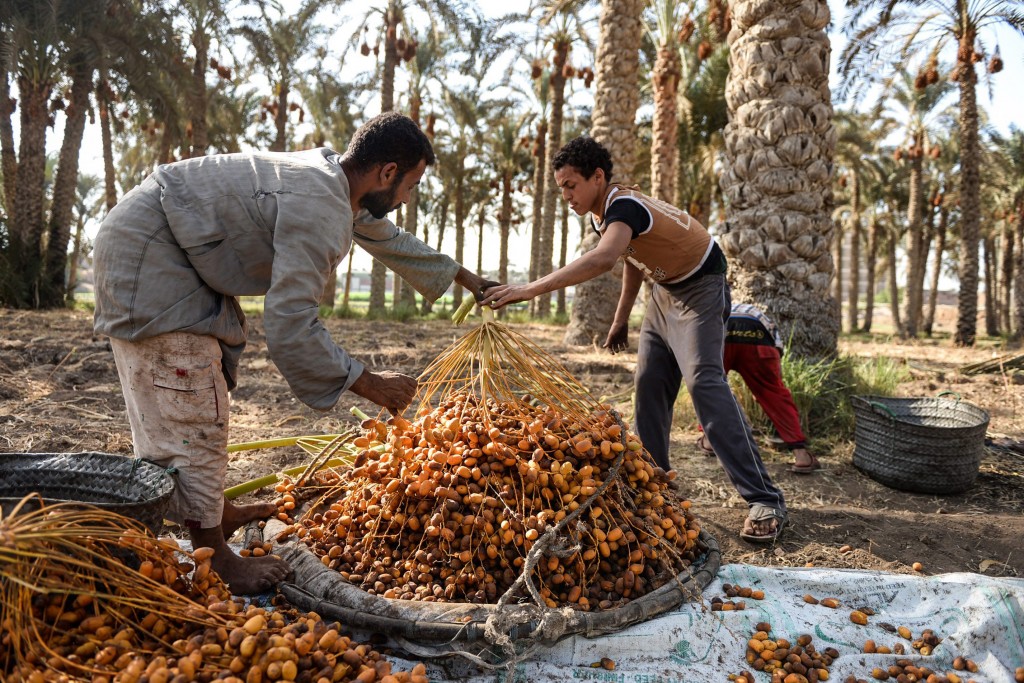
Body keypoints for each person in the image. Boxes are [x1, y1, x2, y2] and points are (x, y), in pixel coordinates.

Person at [93, 112, 496, 593]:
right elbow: (290, 324)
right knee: (188, 394)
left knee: (203, 390)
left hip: (168, 246)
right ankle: (217, 556)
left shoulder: (334, 183)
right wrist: (369, 383)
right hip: (151, 255)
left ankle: (215, 512)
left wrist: (469, 281)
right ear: (387, 172)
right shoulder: (320, 209)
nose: (407, 199)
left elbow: (389, 238)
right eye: (410, 185)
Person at [481, 135, 787, 543]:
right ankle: (655, 485)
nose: (567, 196)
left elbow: (606, 256)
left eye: (571, 185)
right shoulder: (604, 213)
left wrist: (529, 289)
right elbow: (631, 257)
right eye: (561, 188)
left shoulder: (624, 205)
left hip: (701, 287)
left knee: (704, 381)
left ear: (598, 176)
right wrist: (621, 318)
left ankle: (764, 498)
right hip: (663, 293)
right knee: (649, 385)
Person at [696, 303, 821, 474]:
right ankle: (801, 456)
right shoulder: (760, 315)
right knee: (774, 394)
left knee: (711, 388)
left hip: (721, 331)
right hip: (758, 335)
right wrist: (767, 387)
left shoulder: (722, 305)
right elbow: (776, 354)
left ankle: (709, 441)